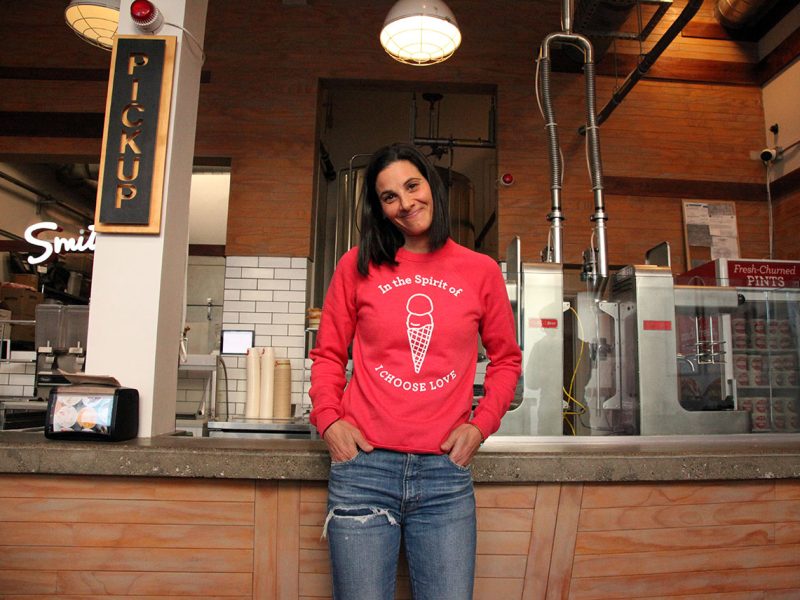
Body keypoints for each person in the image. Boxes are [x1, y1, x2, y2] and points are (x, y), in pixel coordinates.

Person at [309, 142, 522, 600]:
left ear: (431, 186)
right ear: (380, 209)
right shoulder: (356, 265)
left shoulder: (480, 271)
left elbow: (507, 360)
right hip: (363, 471)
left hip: (445, 476)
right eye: (389, 197)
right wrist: (329, 420)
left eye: (412, 186)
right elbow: (328, 354)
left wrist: (480, 426)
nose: (405, 203)